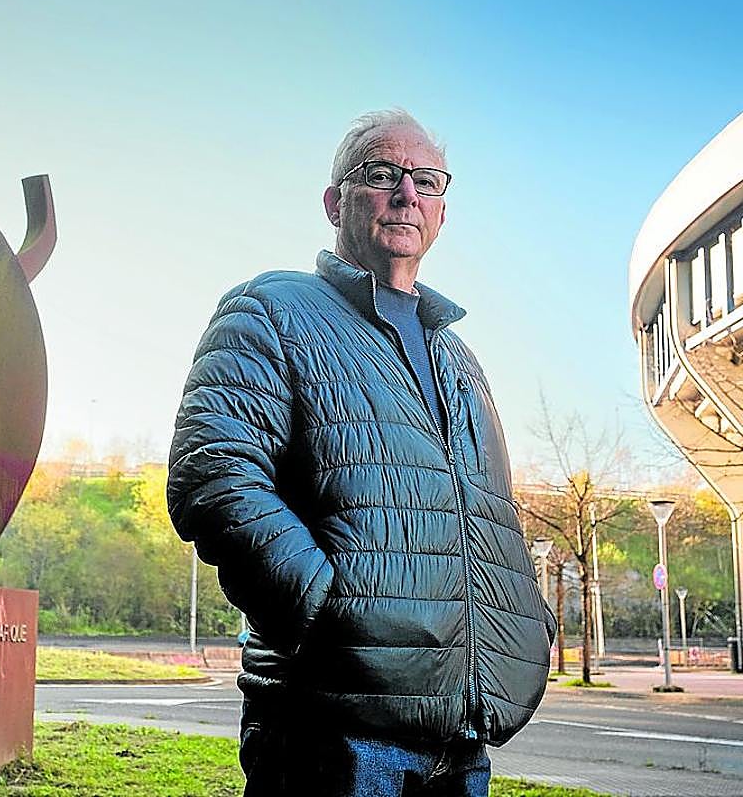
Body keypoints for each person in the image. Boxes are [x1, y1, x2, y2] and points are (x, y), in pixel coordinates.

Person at [167, 109, 556, 796]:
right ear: (334, 201)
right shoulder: (272, 309)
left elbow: (493, 517)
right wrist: (332, 617)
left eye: (426, 180)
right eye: (381, 174)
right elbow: (216, 477)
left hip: (462, 738)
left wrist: (528, 629)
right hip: (332, 733)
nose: (407, 193)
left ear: (441, 211)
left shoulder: (457, 356)